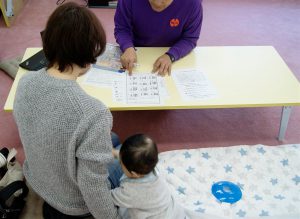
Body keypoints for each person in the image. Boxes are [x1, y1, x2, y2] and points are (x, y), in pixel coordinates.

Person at [13, 2, 120, 219]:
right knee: (132, 158)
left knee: (113, 138)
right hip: (73, 205)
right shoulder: (94, 113)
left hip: (39, 180)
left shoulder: (25, 82)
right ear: (90, 52)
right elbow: (93, 187)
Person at [114, 0, 203, 76]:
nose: (158, 4)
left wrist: (171, 55)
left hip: (174, 52)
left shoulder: (193, 3)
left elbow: (190, 38)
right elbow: (122, 28)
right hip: (137, 51)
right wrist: (127, 47)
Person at [110, 134, 186, 219]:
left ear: (134, 174)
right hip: (172, 212)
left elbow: (109, 197)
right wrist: (116, 153)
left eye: (121, 164)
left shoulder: (132, 191)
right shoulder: (152, 168)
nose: (120, 164)